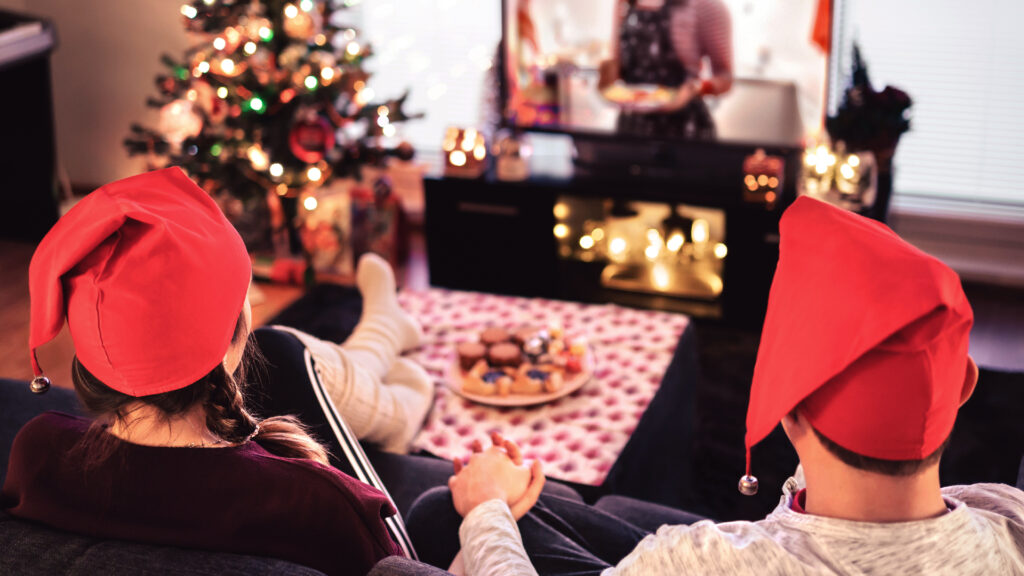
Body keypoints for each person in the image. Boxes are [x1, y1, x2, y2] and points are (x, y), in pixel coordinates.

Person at [407, 196, 1024, 575]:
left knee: (443, 510)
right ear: (963, 387)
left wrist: (486, 508)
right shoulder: (1008, 522)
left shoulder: (696, 562)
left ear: (790, 407)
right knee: (555, 505)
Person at [0, 167, 435, 575]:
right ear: (228, 349)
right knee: (284, 350)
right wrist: (485, 506)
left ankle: (383, 335)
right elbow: (404, 565)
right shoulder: (323, 501)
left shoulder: (37, 452)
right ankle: (396, 384)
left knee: (285, 351)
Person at [600, 0, 733, 140]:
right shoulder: (623, 3)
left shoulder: (706, 6)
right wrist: (606, 77)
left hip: (686, 131)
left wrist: (694, 88)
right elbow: (616, 67)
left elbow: (725, 76)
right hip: (631, 130)